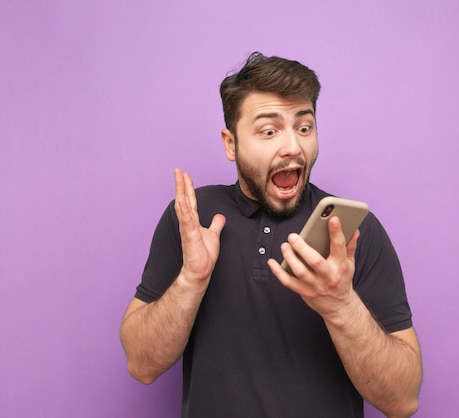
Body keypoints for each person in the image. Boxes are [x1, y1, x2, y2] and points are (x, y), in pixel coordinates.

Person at [120, 52, 423, 418]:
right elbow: (142, 365)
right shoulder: (192, 219)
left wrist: (341, 306)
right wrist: (191, 279)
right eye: (269, 130)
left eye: (304, 128)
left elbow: (402, 401)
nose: (293, 147)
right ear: (231, 144)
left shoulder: (353, 232)